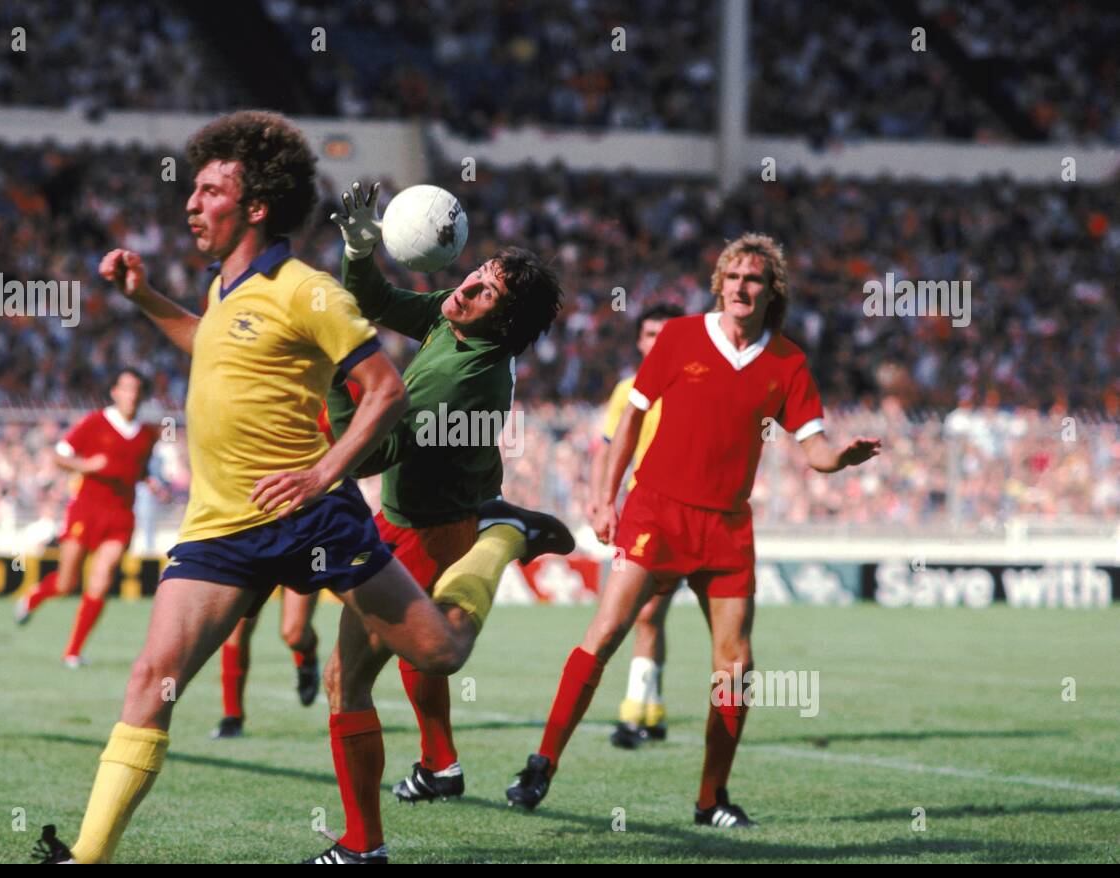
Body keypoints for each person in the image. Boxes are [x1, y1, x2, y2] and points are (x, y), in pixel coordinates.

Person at [30, 112, 570, 866]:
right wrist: (147, 296)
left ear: (254, 206)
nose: (190, 203)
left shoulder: (311, 295)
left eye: (211, 189)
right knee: (154, 679)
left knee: (437, 652)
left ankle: (505, 534)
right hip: (221, 521)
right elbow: (208, 335)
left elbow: (380, 392)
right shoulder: (230, 287)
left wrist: (323, 469)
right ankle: (89, 856)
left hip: (316, 518)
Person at [505, 234, 881, 828]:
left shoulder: (787, 362)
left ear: (770, 291)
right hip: (657, 512)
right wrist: (605, 499)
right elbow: (630, 420)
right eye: (731, 276)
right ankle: (542, 763)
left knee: (735, 668)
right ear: (719, 285)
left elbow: (814, 450)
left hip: (727, 529)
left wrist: (842, 458)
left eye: (753, 278)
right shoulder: (680, 337)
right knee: (604, 634)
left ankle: (711, 800)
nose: (740, 286)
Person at [324, 183, 564, 807]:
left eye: (487, 290)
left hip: (433, 526)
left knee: (357, 674)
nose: (466, 289)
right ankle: (440, 767)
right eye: (476, 274)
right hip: (415, 513)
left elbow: (369, 455)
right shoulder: (458, 322)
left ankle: (362, 840)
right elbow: (375, 299)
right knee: (408, 657)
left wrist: (336, 377)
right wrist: (357, 250)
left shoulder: (468, 381)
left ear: (504, 319)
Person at [14, 369, 161, 666]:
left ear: (142, 395)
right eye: (126, 388)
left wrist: (150, 481)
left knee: (102, 580)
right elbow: (58, 455)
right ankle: (34, 597)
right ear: (115, 392)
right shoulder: (95, 423)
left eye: (137, 390)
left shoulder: (148, 434)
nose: (131, 395)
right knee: (67, 583)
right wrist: (86, 465)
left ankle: (73, 651)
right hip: (86, 511)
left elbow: (138, 467)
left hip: (120, 516)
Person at [590, 303, 682, 749]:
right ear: (639, 340)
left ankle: (633, 715)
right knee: (646, 618)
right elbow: (607, 449)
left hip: (685, 513)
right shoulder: (627, 390)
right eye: (649, 333)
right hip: (639, 514)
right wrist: (600, 500)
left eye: (665, 333)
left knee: (645, 614)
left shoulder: (693, 388)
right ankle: (652, 710)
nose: (655, 341)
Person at [211, 590, 321, 739]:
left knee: (295, 635)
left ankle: (307, 658)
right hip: (254, 566)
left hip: (298, 566)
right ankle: (232, 716)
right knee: (239, 624)